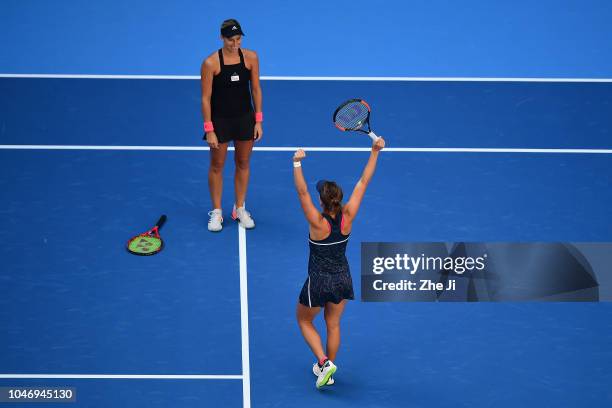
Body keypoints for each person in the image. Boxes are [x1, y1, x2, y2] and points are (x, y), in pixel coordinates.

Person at [292, 137, 385, 388]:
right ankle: (328, 372)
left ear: (322, 201)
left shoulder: (317, 222)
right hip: (343, 278)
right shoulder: (348, 215)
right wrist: (375, 152)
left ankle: (323, 362)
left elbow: (301, 192)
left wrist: (297, 164)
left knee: (303, 320)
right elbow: (364, 181)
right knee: (332, 324)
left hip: (319, 282)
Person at [200, 19, 263, 231]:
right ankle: (217, 212)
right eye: (231, 40)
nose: (235, 44)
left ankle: (240, 208)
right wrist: (209, 129)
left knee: (243, 163)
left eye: (238, 39)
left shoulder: (251, 58)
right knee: (217, 166)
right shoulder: (211, 63)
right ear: (221, 37)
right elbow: (205, 98)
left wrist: (258, 121)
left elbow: (256, 89)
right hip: (221, 122)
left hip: (245, 118)